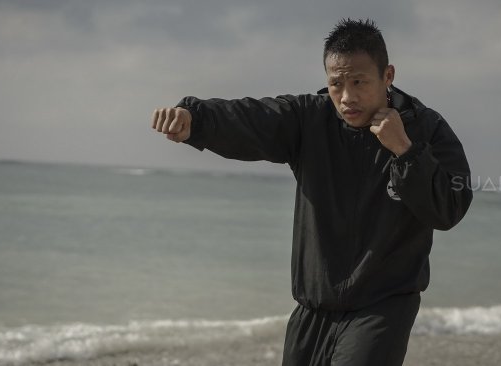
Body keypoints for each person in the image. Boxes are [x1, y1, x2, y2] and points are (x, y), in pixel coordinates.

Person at [152, 18, 472, 366]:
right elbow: (251, 118)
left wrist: (406, 152)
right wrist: (194, 120)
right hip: (312, 309)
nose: (347, 96)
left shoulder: (426, 128)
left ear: (388, 76)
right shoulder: (309, 119)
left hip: (383, 308)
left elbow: (450, 207)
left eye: (359, 82)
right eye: (336, 83)